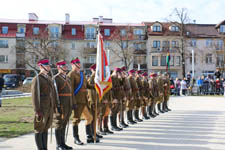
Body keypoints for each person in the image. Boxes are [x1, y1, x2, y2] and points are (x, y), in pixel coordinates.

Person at [67, 57, 97, 145]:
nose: (79, 65)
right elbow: (71, 90)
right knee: (76, 119)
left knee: (90, 117)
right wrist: (73, 102)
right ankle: (76, 138)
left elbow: (87, 85)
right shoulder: (71, 74)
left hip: (84, 100)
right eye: (77, 63)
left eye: (79, 63)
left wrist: (96, 86)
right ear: (72, 65)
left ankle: (89, 137)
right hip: (77, 101)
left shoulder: (81, 73)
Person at [31, 58, 55, 150]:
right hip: (42, 108)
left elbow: (52, 94)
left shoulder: (48, 78)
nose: (49, 67)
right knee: (39, 128)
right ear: (41, 66)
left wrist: (54, 106)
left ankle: (45, 148)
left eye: (49, 66)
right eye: (47, 66)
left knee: (45, 128)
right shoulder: (37, 79)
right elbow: (34, 96)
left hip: (49, 107)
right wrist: (37, 110)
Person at [53, 60, 73, 150]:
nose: (65, 68)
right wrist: (57, 106)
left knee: (64, 123)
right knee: (59, 123)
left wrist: (72, 103)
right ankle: (58, 145)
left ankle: (63, 143)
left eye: (65, 66)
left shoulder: (67, 78)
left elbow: (71, 92)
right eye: (63, 67)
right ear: (58, 68)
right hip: (61, 104)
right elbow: (54, 94)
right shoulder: (56, 78)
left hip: (68, 104)